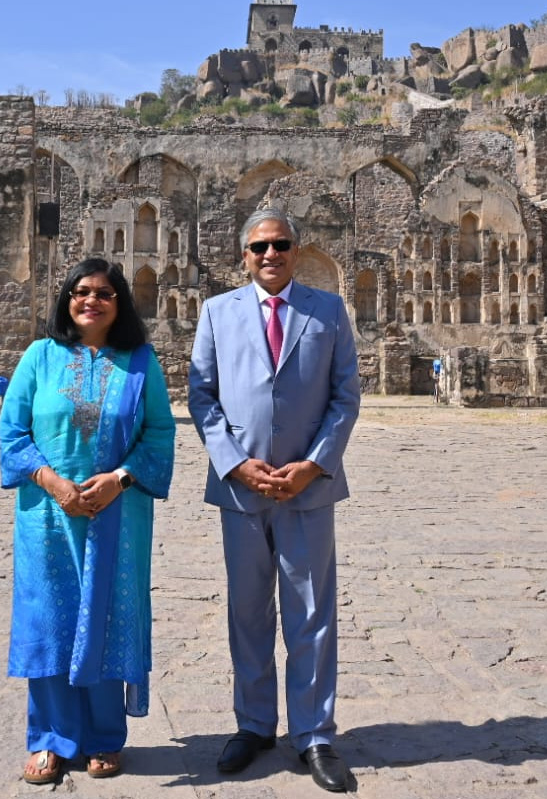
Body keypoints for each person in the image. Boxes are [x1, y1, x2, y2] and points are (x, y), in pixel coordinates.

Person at [188, 208, 360, 792]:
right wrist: (235, 463)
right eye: (259, 246)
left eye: (281, 244)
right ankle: (255, 723)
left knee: (311, 613)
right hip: (242, 488)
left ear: (296, 249)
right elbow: (202, 396)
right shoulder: (217, 313)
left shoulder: (328, 310)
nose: (270, 255)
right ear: (244, 254)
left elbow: (344, 399)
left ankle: (313, 734)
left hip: (307, 488)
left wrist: (314, 465)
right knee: (247, 610)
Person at [0, 258, 175, 784]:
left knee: (107, 615)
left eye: (103, 293)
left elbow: (160, 434)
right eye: (79, 292)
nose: (90, 301)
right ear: (66, 300)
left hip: (117, 515)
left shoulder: (141, 363)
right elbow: (12, 432)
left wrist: (117, 479)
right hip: (48, 517)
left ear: (120, 302)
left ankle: (102, 738)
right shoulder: (39, 357)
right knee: (50, 619)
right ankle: (51, 739)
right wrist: (52, 482)